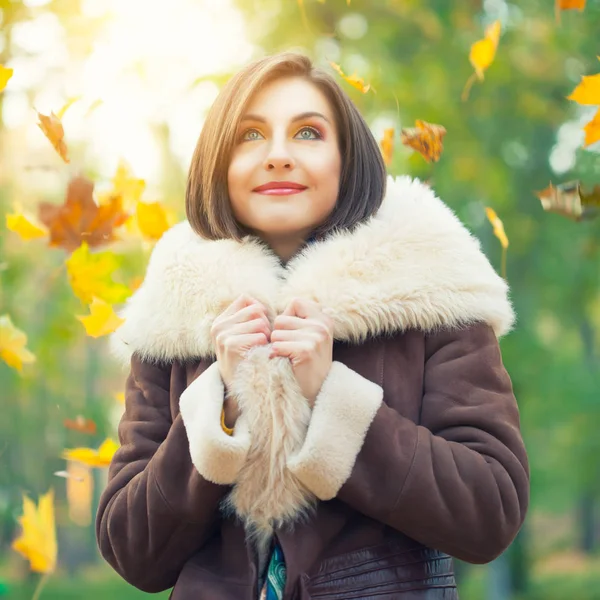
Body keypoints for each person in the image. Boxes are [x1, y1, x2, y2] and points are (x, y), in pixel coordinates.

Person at [96, 51, 530, 600]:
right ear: (217, 163)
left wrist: (334, 402)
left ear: (346, 158)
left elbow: (489, 511)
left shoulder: (431, 286)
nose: (278, 156)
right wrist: (220, 410)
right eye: (249, 136)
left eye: (307, 132)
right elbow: (132, 552)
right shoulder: (175, 312)